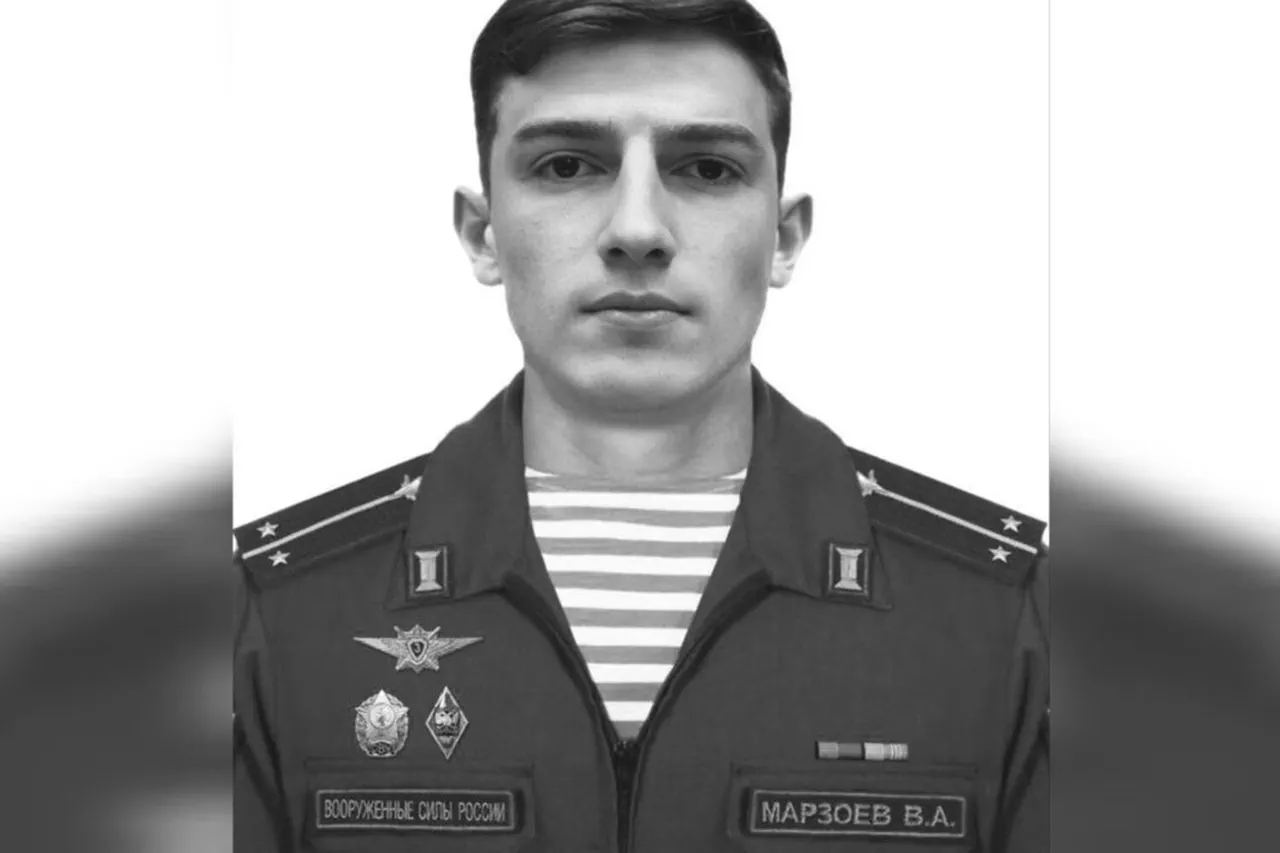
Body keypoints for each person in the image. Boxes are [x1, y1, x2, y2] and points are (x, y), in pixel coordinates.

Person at [233, 0, 1048, 849]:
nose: (636, 230)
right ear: (482, 234)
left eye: (707, 169)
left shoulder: (1008, 615)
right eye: (564, 165)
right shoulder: (275, 613)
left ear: (783, 238)